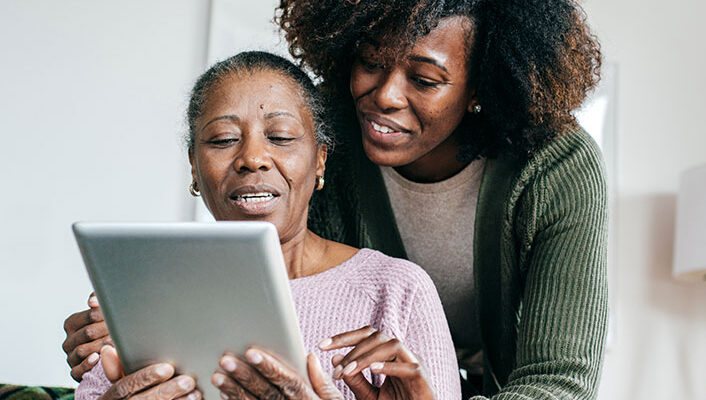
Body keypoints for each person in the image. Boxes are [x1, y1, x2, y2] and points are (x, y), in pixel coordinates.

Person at [66, 0, 610, 397]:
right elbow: (287, 302)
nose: (385, 96)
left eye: (424, 79)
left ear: (481, 89)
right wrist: (134, 329)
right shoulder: (326, 141)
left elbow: (558, 380)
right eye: (371, 63)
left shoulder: (555, 166)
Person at [71, 51, 461, 400]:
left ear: (320, 160)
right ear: (193, 164)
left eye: (281, 136)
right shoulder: (141, 295)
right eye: (223, 140)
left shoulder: (396, 290)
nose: (253, 158)